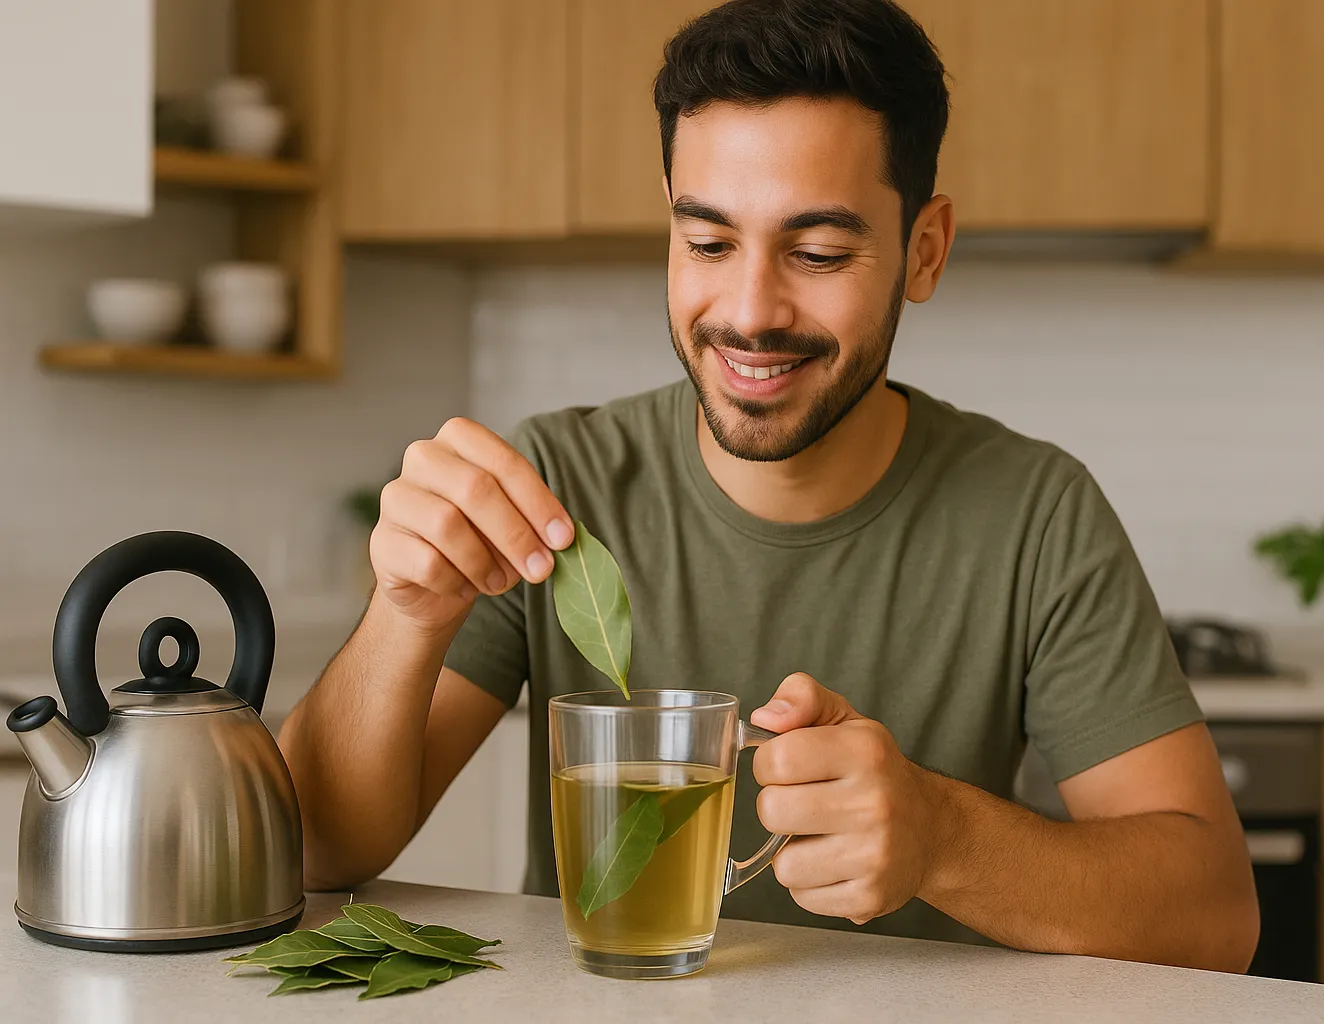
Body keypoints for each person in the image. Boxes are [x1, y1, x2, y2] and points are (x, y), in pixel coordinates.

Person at [279, 0, 1258, 970]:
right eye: (707, 243)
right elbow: (316, 853)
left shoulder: (1037, 514)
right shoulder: (557, 488)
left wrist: (943, 837)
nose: (749, 312)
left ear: (924, 248)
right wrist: (403, 616)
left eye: (818, 252)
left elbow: (1215, 920)